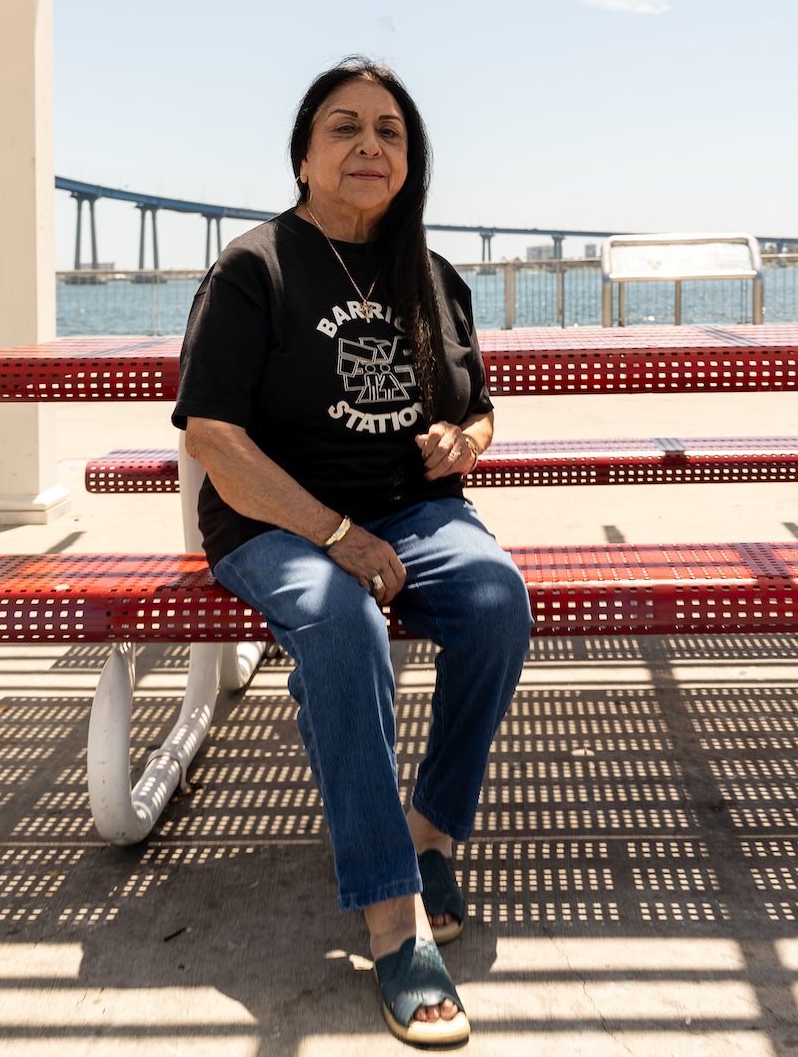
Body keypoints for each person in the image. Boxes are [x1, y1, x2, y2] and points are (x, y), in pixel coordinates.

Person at [173, 58, 531, 1048]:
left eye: (391, 131)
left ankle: (427, 834)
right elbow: (212, 437)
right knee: (338, 625)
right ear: (302, 156)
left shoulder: (431, 275)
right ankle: (392, 918)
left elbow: (482, 412)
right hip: (277, 520)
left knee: (498, 599)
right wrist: (335, 535)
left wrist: (466, 443)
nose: (370, 144)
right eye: (344, 128)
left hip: (414, 510)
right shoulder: (255, 268)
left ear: (411, 163)